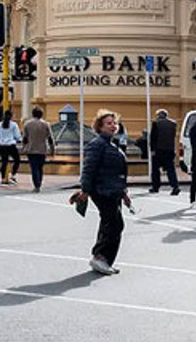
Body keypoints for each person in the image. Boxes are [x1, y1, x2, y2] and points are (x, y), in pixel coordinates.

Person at [73, 109, 131, 275]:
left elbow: (118, 173)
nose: (113, 126)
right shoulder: (97, 144)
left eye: (114, 123)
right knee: (113, 223)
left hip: (114, 190)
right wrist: (85, 190)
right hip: (102, 190)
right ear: (100, 127)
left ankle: (103, 259)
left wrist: (124, 193)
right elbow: (88, 169)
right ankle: (100, 257)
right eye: (108, 123)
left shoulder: (113, 145)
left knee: (112, 223)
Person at [22, 107, 55, 193]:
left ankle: (36, 185)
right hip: (42, 149)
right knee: (40, 168)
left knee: (34, 168)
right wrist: (52, 149)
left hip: (31, 149)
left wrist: (23, 147)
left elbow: (25, 138)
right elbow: (50, 138)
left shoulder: (27, 124)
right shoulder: (46, 124)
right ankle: (39, 183)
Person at [148, 109, 180, 195]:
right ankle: (175, 186)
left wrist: (152, 150)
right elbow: (173, 137)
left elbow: (153, 138)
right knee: (171, 169)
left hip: (158, 150)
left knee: (155, 170)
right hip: (169, 149)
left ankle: (156, 187)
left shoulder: (156, 123)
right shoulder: (173, 124)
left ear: (158, 115)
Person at [0, 109, 23, 186]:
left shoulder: (0, 125)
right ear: (11, 116)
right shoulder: (14, 125)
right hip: (11, 145)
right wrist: (20, 140)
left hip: (2, 145)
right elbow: (17, 136)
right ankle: (13, 176)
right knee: (17, 160)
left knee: (4, 162)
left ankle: (3, 179)